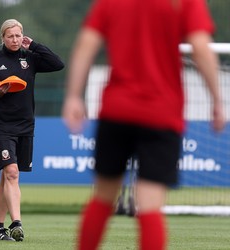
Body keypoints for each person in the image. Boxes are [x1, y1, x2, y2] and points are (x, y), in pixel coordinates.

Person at [62, 0, 226, 249]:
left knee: (103, 198)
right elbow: (201, 48)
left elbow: (87, 43)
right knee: (149, 205)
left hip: (117, 110)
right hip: (161, 114)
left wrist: (74, 95)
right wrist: (217, 99)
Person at [0, 19, 64, 242]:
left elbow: (58, 63)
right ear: (2, 37)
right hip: (2, 125)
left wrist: (34, 45)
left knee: (7, 177)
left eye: (18, 35)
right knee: (12, 173)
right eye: (10, 36)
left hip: (25, 125)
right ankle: (16, 223)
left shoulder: (29, 58)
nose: (14, 40)